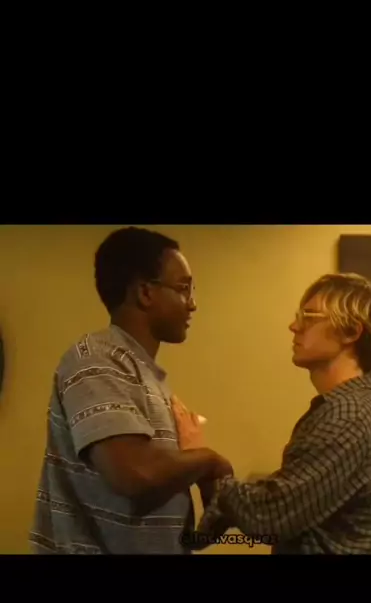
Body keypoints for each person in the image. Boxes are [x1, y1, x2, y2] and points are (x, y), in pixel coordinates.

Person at [30, 227, 233, 554]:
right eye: (183, 288)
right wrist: (209, 460)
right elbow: (135, 473)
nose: (192, 304)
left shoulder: (144, 375)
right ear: (145, 292)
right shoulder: (95, 358)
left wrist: (200, 476)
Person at [193, 273, 371, 554]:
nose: (294, 326)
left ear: (351, 332)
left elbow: (270, 516)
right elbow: (290, 497)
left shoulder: (348, 415)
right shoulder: (354, 407)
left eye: (309, 316)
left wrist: (201, 459)